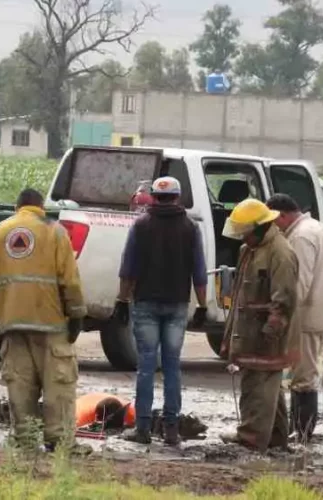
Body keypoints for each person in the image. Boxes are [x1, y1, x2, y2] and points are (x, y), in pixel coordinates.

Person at [0, 187, 87, 452]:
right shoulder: (54, 231)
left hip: (11, 323)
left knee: (19, 384)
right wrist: (77, 315)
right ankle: (59, 441)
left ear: (18, 207)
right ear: (40, 207)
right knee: (58, 383)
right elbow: (70, 280)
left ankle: (24, 439)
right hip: (51, 323)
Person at [115, 176, 208, 446]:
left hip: (145, 303)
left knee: (146, 366)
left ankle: (142, 429)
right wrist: (202, 305)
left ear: (153, 197)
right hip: (178, 305)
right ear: (177, 198)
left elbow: (128, 269)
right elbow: (199, 273)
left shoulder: (141, 225)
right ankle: (170, 430)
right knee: (172, 367)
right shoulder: (190, 228)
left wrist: (122, 300)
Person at [219, 197, 299, 452]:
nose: (243, 238)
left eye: (246, 233)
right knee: (268, 386)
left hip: (267, 334)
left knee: (258, 385)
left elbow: (284, 299)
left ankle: (251, 439)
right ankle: (276, 437)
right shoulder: (249, 251)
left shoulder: (281, 253)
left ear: (261, 227)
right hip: (249, 330)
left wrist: (272, 329)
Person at [266, 193, 323, 444]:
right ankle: (300, 430)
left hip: (307, 316)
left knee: (303, 378)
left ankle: (302, 433)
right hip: (322, 311)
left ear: (282, 215)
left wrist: (283, 314)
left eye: (273, 221)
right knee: (305, 373)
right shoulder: (317, 228)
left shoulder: (300, 236)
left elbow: (299, 282)